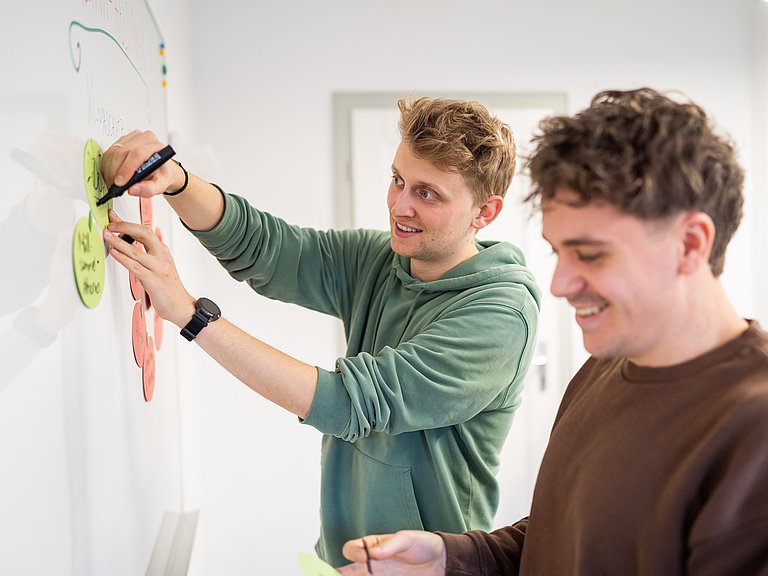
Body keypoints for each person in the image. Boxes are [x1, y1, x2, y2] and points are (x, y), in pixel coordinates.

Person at [337, 87, 768, 575]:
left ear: (690, 244)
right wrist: (453, 558)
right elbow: (561, 535)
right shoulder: (604, 369)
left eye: (590, 254)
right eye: (558, 252)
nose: (561, 285)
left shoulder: (753, 433)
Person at [100, 97, 541, 567]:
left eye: (427, 194)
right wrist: (177, 181)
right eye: (397, 180)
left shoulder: (499, 314)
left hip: (421, 569)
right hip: (341, 560)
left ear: (485, 213)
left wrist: (190, 314)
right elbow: (269, 249)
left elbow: (351, 403)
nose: (400, 206)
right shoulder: (382, 261)